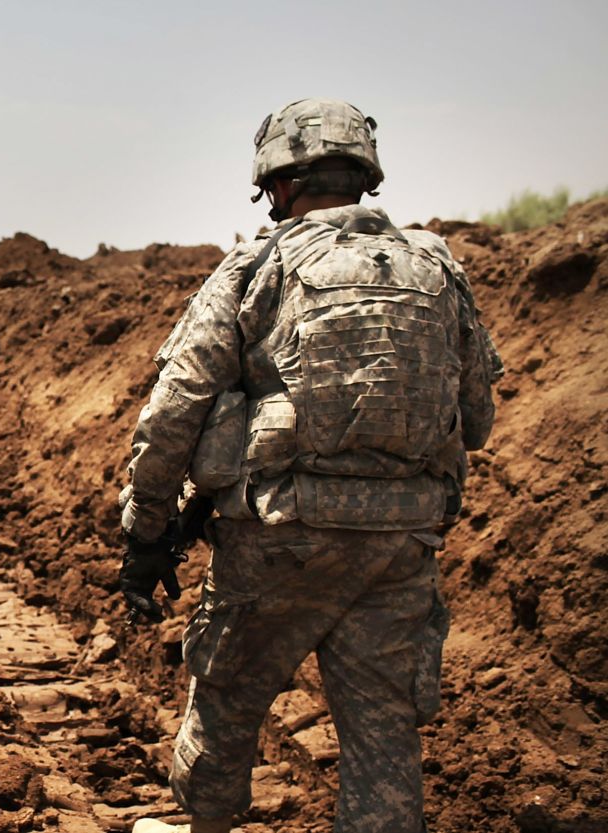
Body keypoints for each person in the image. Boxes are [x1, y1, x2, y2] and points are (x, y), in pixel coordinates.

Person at [121, 98, 502, 833]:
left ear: (277, 183)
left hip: (280, 533)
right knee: (383, 724)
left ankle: (205, 827)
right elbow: (477, 417)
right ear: (364, 175)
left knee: (228, 694)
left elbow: (177, 406)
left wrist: (146, 524)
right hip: (402, 542)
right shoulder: (436, 267)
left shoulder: (259, 264)